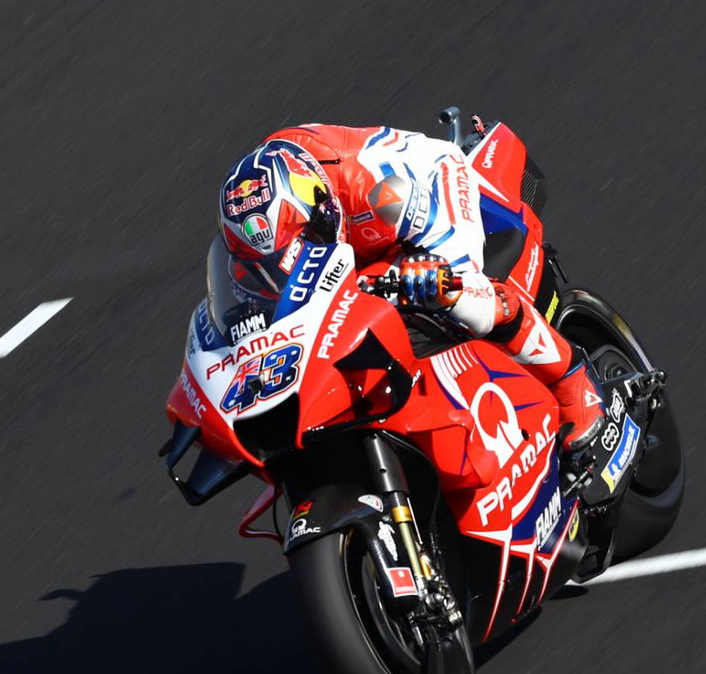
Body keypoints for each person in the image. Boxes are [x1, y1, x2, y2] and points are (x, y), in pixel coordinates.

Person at [215, 124, 603, 452]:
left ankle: (573, 383)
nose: (293, 263)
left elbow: (436, 240)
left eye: (306, 245)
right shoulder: (247, 250)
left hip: (428, 188)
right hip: (356, 244)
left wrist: (427, 275)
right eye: (270, 262)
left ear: (323, 210)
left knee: (462, 296)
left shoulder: (376, 188)